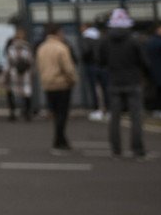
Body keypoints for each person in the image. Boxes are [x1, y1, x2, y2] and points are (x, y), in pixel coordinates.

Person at [99, 9, 147, 160]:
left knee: (114, 118)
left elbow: (100, 61)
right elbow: (144, 62)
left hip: (114, 81)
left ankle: (116, 150)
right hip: (133, 81)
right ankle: (137, 149)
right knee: (136, 118)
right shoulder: (134, 40)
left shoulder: (106, 41)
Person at [35, 23, 78, 154]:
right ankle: (58, 140)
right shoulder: (61, 48)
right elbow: (68, 68)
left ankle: (61, 140)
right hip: (61, 84)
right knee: (62, 114)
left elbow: (39, 66)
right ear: (58, 32)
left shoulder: (41, 48)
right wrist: (73, 80)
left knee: (55, 113)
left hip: (48, 84)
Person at [143, 23, 161, 119]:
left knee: (155, 91)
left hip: (151, 71)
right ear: (158, 30)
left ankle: (156, 109)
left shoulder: (148, 42)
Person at [79, 24, 108, 121]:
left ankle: (96, 109)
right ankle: (108, 110)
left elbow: (85, 52)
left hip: (91, 66)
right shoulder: (101, 38)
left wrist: (84, 59)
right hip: (103, 66)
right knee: (105, 88)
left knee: (93, 89)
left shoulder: (86, 39)